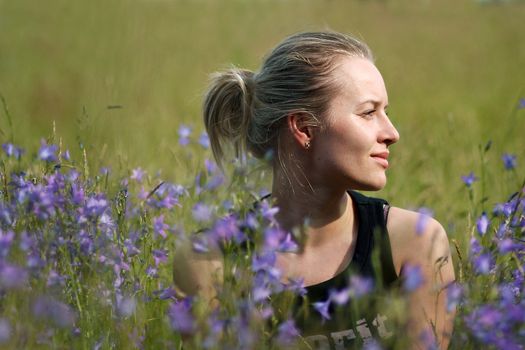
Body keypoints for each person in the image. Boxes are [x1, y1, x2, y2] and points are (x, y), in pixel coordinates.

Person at [173, 31, 456, 349]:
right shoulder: (209, 259)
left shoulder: (414, 242)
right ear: (304, 128)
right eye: (368, 112)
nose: (392, 133)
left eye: (386, 112)